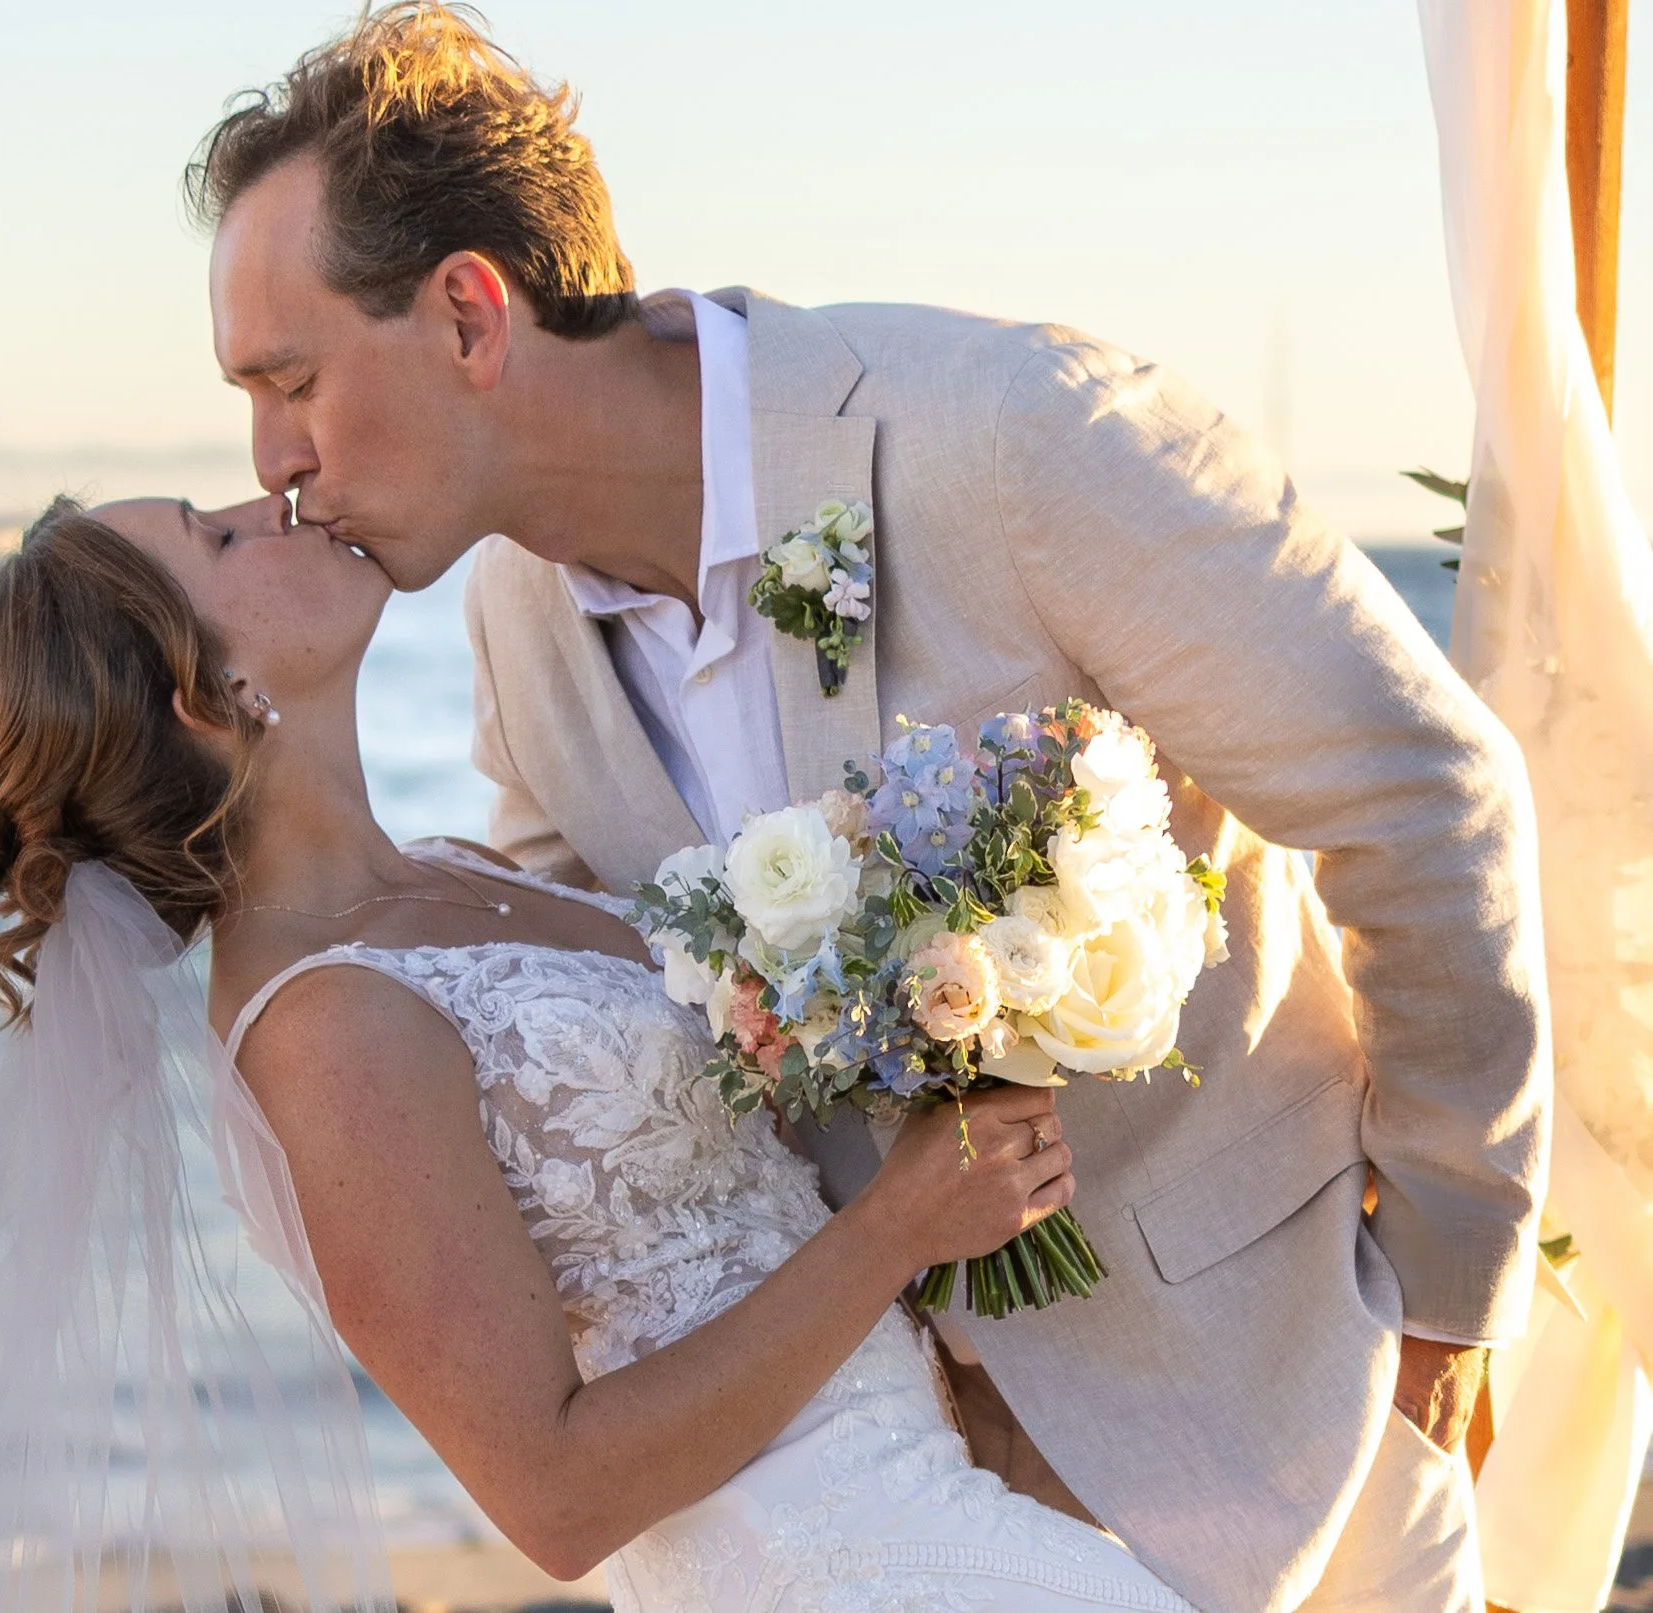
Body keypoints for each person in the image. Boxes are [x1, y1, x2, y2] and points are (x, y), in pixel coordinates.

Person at [186, 8, 1553, 1613]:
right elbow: (628, 1028)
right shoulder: (518, 624)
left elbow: (1418, 796)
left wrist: (1451, 1293)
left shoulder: (1013, 435)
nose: (270, 461)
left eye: (289, 381)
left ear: (471, 315)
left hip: (1275, 1414)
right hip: (890, 1508)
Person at [0, 489, 1193, 1609]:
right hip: (822, 1567)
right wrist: (900, 1226)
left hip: (936, 1498)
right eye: (218, 534)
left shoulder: (456, 875)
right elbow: (557, 1498)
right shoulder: (323, 1034)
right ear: (214, 694)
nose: (271, 500)